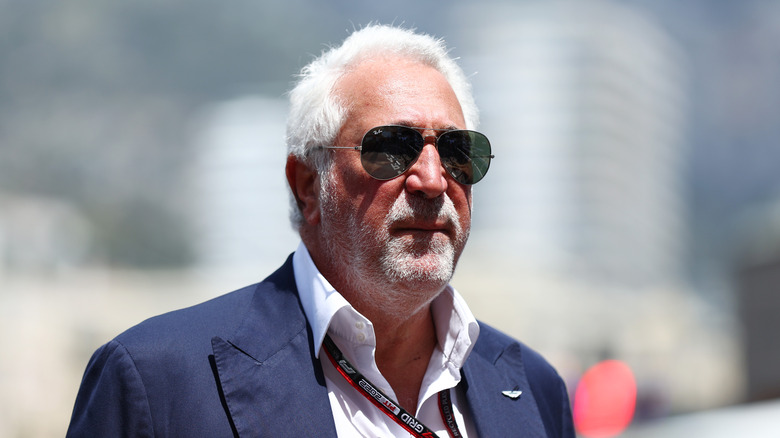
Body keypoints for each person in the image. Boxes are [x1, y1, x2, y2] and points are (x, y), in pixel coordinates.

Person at [67, 24, 574, 437]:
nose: (432, 179)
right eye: (391, 148)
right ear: (308, 185)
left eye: (457, 151)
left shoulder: (533, 388)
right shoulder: (157, 381)